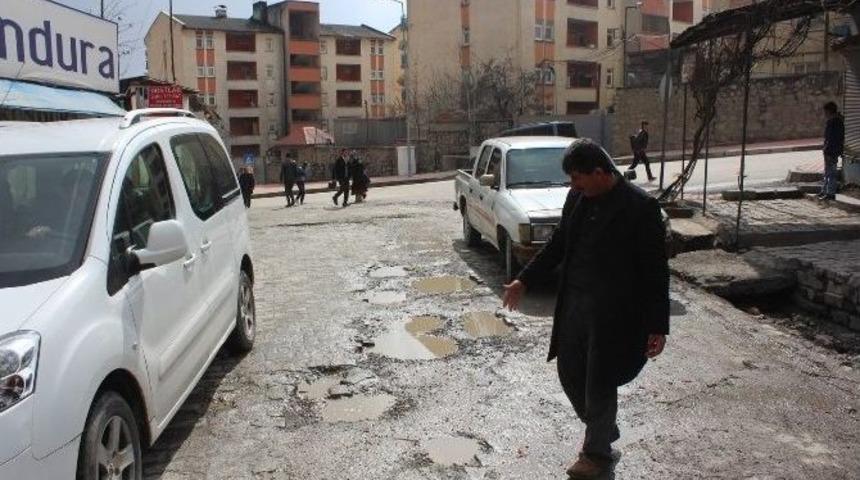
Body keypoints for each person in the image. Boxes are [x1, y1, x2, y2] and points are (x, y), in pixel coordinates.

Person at [502, 139, 669, 479]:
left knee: (599, 382)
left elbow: (655, 272)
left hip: (615, 315)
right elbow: (558, 244)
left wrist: (658, 325)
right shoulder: (576, 198)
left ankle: (596, 454)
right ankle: (603, 429)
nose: (573, 185)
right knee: (570, 374)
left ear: (599, 172)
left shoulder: (640, 208)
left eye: (578, 178)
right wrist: (524, 280)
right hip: (574, 306)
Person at [820, 101, 844, 201]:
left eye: (825, 111)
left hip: (832, 151)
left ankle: (830, 193)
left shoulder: (835, 122)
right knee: (827, 172)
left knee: (831, 173)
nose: (825, 114)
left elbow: (833, 138)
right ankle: (825, 191)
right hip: (829, 150)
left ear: (829, 111)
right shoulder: (834, 121)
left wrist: (828, 148)